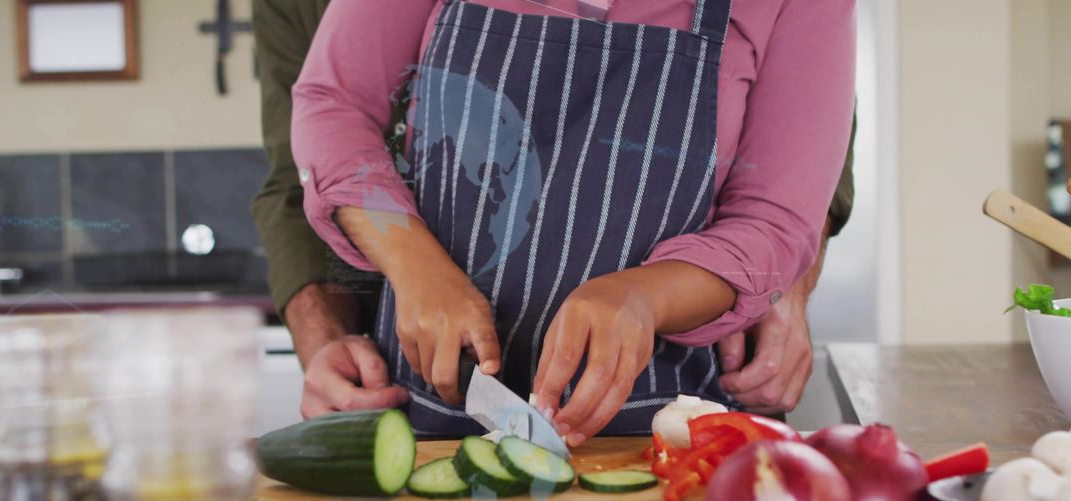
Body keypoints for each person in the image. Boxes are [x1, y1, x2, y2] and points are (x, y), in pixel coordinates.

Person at [256, 0, 856, 438]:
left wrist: (644, 297)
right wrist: (414, 263)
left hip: (668, 435)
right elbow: (335, 105)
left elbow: (777, 220)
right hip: (424, 425)